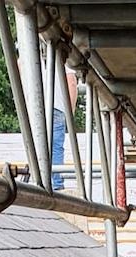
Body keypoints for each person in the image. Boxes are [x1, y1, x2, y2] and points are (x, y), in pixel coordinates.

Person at [52, 63, 77, 191]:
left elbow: (20, 66)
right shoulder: (64, 56)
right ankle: (55, 184)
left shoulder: (30, 49)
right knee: (56, 147)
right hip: (57, 107)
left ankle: (38, 181)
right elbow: (71, 82)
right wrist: (70, 113)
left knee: (37, 145)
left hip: (36, 106)